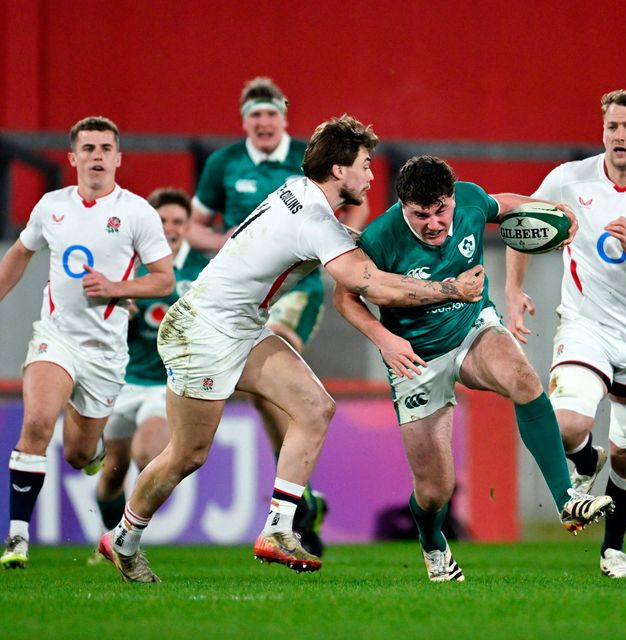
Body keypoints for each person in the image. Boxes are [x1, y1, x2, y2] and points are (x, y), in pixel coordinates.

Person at [98, 115, 486, 583]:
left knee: (315, 406)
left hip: (240, 326)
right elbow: (373, 286)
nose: (370, 174)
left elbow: (351, 255)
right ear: (339, 170)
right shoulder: (315, 220)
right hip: (202, 330)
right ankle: (123, 538)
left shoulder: (299, 194)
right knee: (187, 453)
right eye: (364, 164)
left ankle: (279, 528)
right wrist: (450, 289)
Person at [333, 155, 614, 583]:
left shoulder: (468, 200)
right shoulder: (380, 238)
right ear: (403, 206)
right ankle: (432, 544)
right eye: (420, 215)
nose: (433, 223)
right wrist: (385, 340)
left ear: (452, 197)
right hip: (417, 358)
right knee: (435, 491)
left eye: (440, 209)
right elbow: (345, 297)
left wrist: (554, 214)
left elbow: (502, 206)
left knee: (524, 378)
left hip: (471, 328)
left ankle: (566, 497)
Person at [506, 90, 626, 580]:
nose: (619, 135)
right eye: (612, 127)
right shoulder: (571, 178)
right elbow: (521, 222)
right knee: (567, 424)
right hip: (585, 324)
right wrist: (513, 288)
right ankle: (583, 457)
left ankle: (613, 551)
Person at [0, 116, 174, 569]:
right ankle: (17, 538)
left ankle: (92, 450)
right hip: (55, 336)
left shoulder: (138, 212)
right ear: (73, 157)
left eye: (105, 148)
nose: (97, 156)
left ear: (118, 158)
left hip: (105, 353)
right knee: (37, 424)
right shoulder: (50, 207)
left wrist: (117, 287)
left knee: (78, 455)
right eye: (88, 148)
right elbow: (20, 253)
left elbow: (163, 281)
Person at [188, 77, 351, 554]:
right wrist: (238, 248)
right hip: (244, 290)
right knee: (266, 395)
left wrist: (340, 249)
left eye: (271, 113)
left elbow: (344, 214)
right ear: (244, 121)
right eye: (255, 114)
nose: (264, 122)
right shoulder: (223, 163)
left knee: (272, 364)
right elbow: (195, 229)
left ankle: (291, 504)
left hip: (294, 292)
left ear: (284, 117)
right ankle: (300, 497)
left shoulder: (307, 160)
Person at [92, 188, 208, 547]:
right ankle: (111, 538)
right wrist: (115, 314)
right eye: (162, 221)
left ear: (188, 226)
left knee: (147, 452)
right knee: (111, 476)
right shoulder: (129, 265)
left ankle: (129, 535)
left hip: (167, 383)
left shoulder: (203, 270)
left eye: (178, 221)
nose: (170, 228)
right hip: (125, 382)